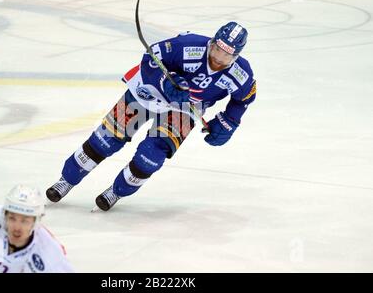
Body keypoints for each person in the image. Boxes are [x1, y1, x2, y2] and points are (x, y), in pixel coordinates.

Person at [46, 21, 257, 211]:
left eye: (226, 55)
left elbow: (245, 97)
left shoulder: (241, 73)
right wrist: (166, 82)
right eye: (217, 48)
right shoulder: (188, 45)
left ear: (235, 56)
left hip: (184, 108)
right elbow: (150, 59)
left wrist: (229, 122)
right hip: (149, 91)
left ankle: (116, 191)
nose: (218, 57)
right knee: (106, 139)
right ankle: (67, 180)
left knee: (151, 156)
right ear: (212, 42)